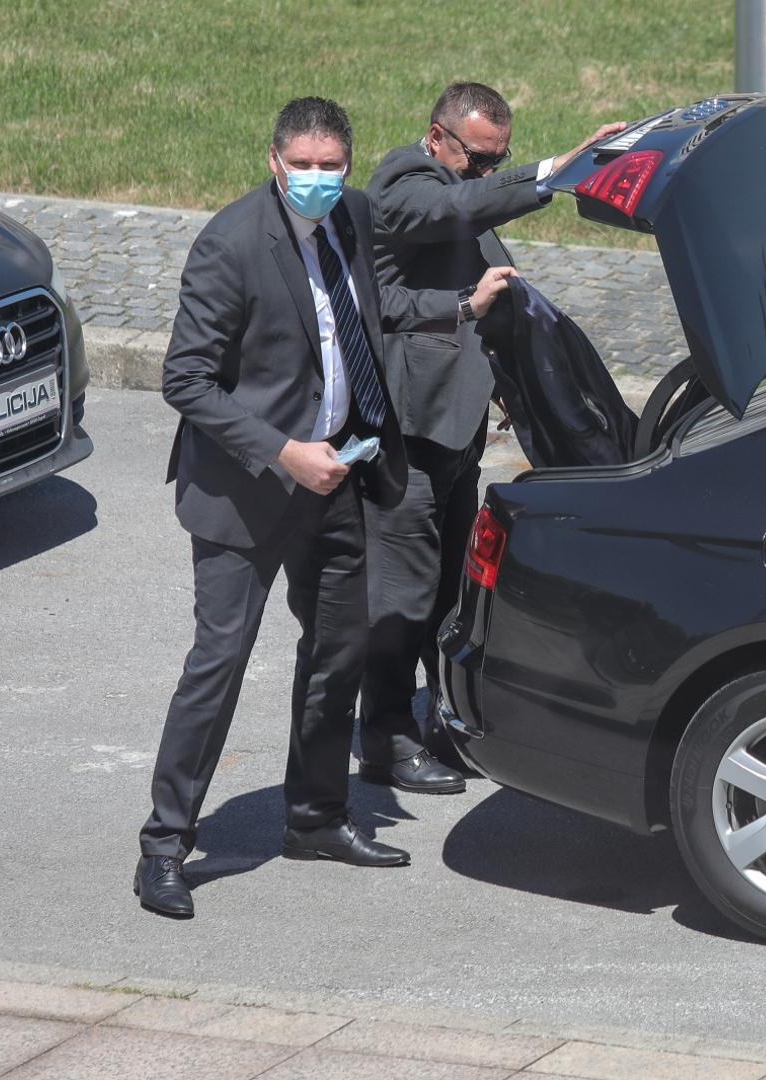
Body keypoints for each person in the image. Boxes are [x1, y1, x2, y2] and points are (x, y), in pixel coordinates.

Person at [134, 98, 508, 919]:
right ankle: (165, 843)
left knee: (340, 650)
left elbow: (376, 314)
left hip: (340, 475)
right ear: (273, 161)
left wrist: (460, 308)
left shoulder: (355, 218)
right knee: (220, 663)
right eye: (300, 165)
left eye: (330, 166)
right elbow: (185, 380)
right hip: (249, 491)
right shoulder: (231, 244)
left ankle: (316, 817)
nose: (316, 180)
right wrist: (283, 452)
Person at [357, 83, 624, 794]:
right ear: (437, 137)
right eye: (478, 158)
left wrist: (509, 382)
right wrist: (549, 173)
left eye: (497, 160)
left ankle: (441, 717)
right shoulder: (405, 183)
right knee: (401, 595)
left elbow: (492, 297)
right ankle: (382, 736)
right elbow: (454, 209)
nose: (483, 172)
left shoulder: (459, 183)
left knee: (451, 590)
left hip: (456, 425)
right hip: (408, 434)